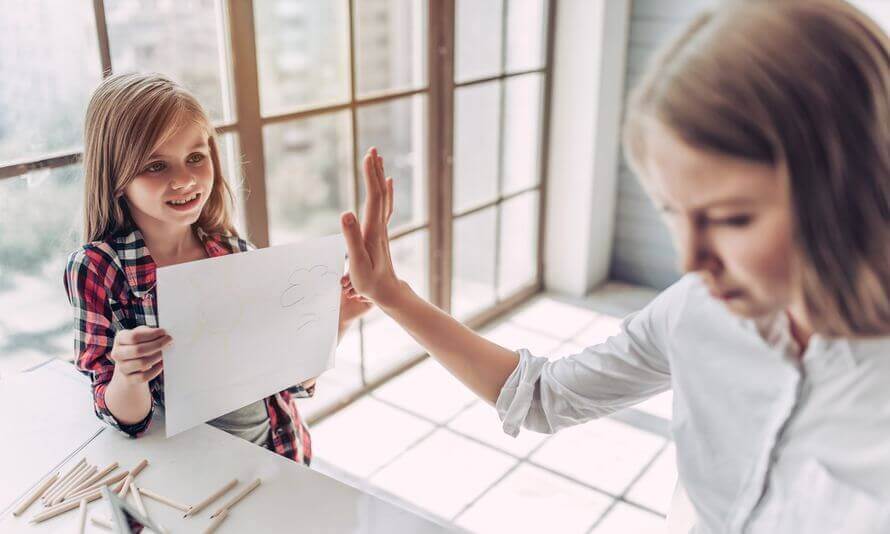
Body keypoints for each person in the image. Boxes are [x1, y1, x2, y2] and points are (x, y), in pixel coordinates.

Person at [340, 1, 890, 531]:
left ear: (848, 191)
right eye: (672, 212)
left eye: (732, 219)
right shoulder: (693, 311)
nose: (691, 261)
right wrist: (392, 294)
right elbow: (541, 397)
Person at [64, 73, 372, 466]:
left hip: (278, 452)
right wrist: (128, 375)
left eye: (196, 157)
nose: (185, 179)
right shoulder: (97, 269)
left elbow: (291, 382)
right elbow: (127, 422)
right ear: (116, 177)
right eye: (156, 165)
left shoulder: (234, 250)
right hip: (191, 475)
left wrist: (337, 323)